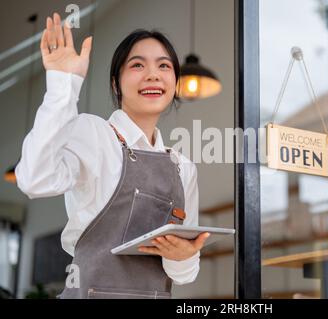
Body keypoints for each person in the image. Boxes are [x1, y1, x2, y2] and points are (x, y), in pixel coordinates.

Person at [15, 12, 209, 299]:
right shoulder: (93, 134)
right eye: (137, 65)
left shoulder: (183, 168)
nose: (153, 74)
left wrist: (182, 255)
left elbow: (184, 275)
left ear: (175, 83)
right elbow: (34, 180)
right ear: (116, 84)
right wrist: (62, 88)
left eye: (164, 66)